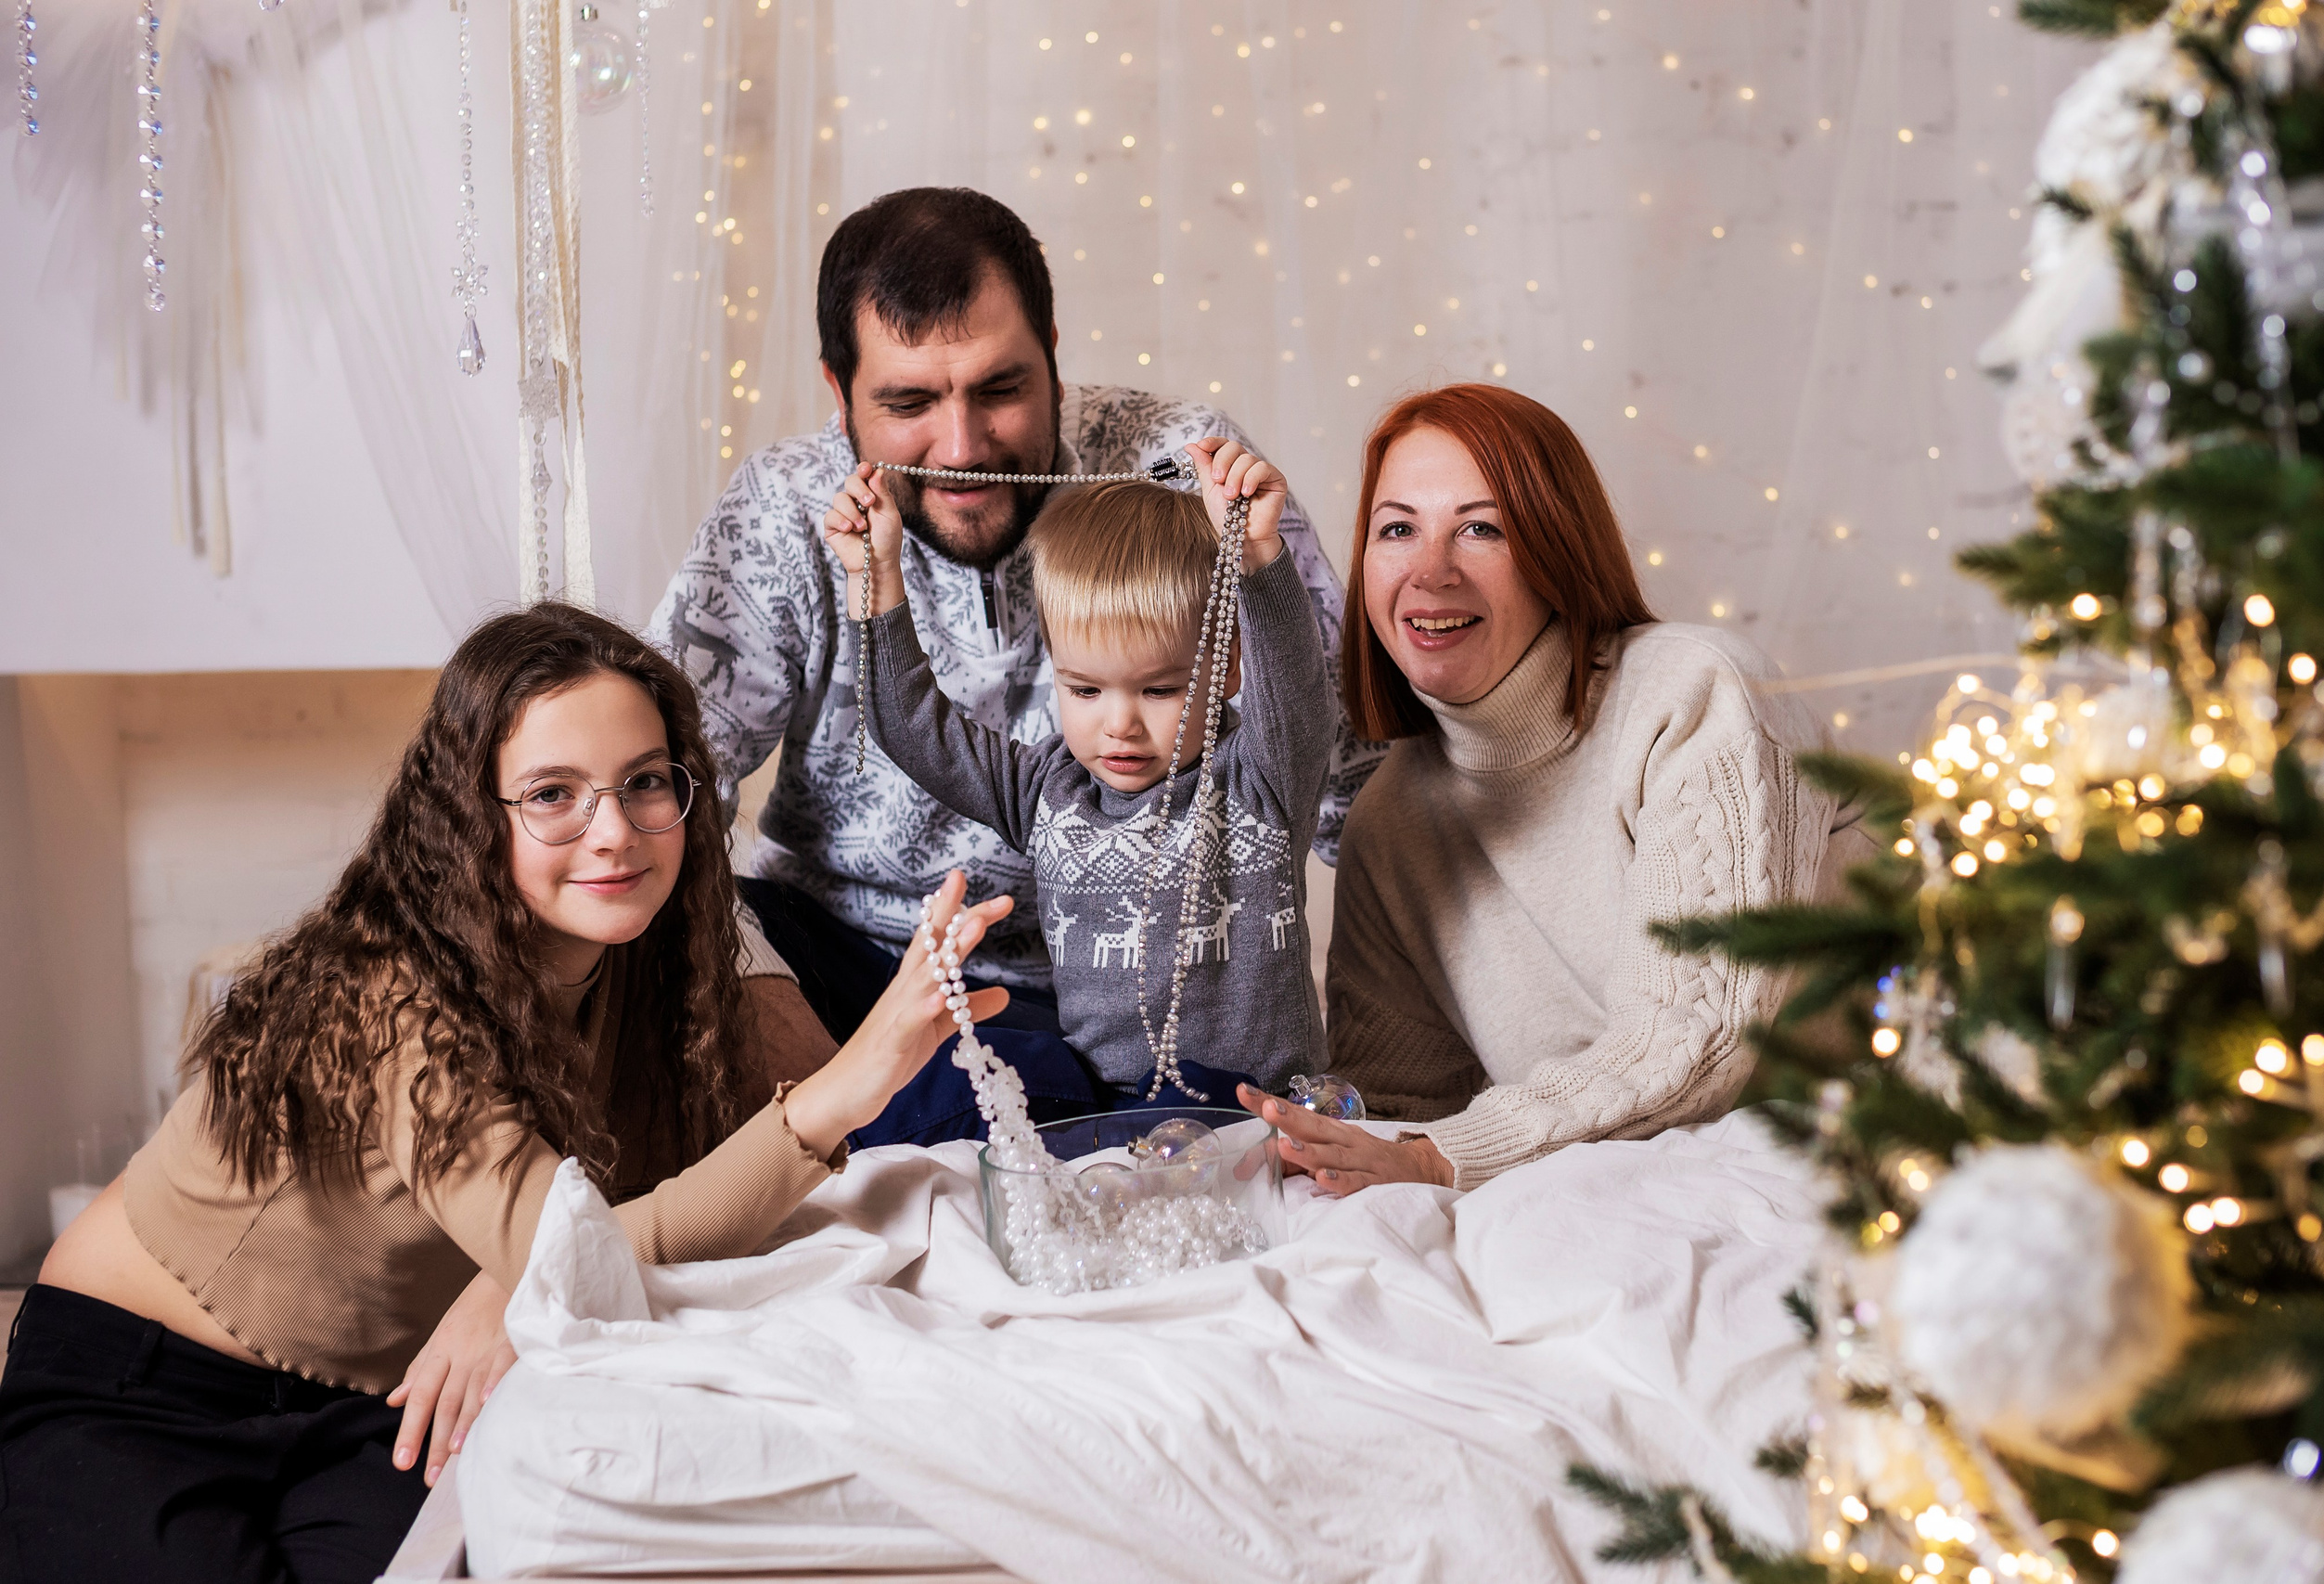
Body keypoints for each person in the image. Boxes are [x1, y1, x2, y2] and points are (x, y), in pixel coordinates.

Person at [0, 604, 1014, 1584]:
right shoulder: (391, 991)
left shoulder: (653, 966)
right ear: (466, 814)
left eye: (644, 783)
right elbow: (570, 1249)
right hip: (143, 1382)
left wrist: (510, 1286)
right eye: (552, 794)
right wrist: (837, 1095)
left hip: (383, 1401)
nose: (613, 832)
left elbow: (605, 1229)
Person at [648, 187, 1380, 1114]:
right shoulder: (782, 511)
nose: (962, 446)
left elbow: (1341, 760)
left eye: (999, 389)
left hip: (1074, 1008)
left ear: (1055, 360)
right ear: (839, 397)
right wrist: (757, 998)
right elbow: (659, 788)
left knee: (1018, 1096)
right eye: (908, 401)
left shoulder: (1180, 470)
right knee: (686, 940)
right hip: (835, 955)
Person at [1238, 384, 1860, 1193]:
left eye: (1480, 528)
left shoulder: (1694, 695)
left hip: (1864, 1156)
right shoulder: (1388, 822)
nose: (1431, 571)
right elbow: (1402, 1105)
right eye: (1398, 529)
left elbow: (1696, 1041)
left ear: (1555, 550)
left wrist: (1435, 1157)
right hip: (1621, 1195)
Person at [818, 438, 1329, 1123]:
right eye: (1085, 689)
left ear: (1228, 670)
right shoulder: (1047, 790)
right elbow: (915, 728)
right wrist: (874, 573)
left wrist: (1260, 553)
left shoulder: (1260, 780)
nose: (1119, 724)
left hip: (1255, 1110)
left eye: (1159, 688)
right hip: (1106, 1107)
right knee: (959, 1071)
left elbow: (1296, 686)